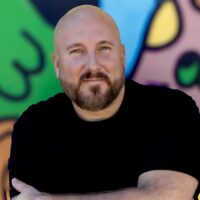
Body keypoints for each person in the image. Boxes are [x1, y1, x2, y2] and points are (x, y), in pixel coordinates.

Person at [8, 4, 200, 200]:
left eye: (104, 48)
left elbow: (171, 196)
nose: (93, 65)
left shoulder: (172, 110)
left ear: (122, 56)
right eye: (76, 51)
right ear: (58, 65)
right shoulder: (33, 127)